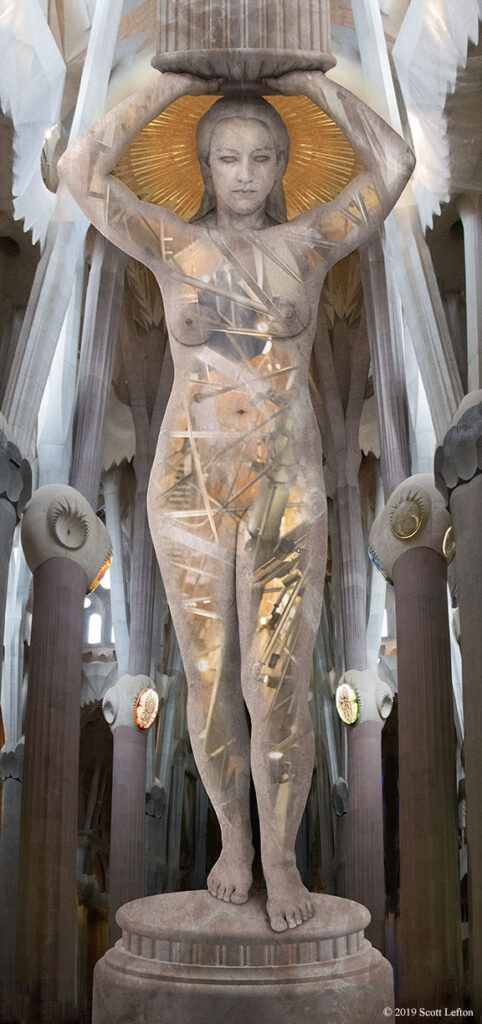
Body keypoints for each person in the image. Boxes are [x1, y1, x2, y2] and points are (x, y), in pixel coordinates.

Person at [59, 68, 414, 932]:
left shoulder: (307, 245)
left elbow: (395, 165)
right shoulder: (172, 244)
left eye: (260, 156)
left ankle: (284, 859)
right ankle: (234, 842)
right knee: (214, 686)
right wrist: (164, 79)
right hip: (190, 490)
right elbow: (78, 171)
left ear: (282, 162)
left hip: (286, 486)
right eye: (227, 158)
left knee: (279, 687)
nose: (246, 174)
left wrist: (305, 81)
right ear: (205, 165)